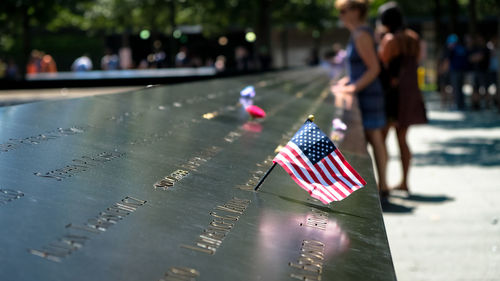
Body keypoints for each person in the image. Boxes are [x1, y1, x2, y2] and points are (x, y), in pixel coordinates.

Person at [331, 0, 389, 198]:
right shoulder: (360, 33)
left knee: (375, 138)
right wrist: (346, 83)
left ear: (356, 11)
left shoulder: (362, 34)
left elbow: (374, 68)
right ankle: (380, 185)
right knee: (374, 138)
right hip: (364, 91)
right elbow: (359, 69)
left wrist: (352, 88)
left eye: (343, 11)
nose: (341, 16)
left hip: (369, 94)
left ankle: (383, 186)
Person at [377, 2, 427, 194]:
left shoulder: (390, 39)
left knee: (382, 138)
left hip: (393, 95)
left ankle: (383, 182)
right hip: (410, 92)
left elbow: (383, 62)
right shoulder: (413, 37)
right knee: (402, 138)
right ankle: (405, 181)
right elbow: (418, 59)